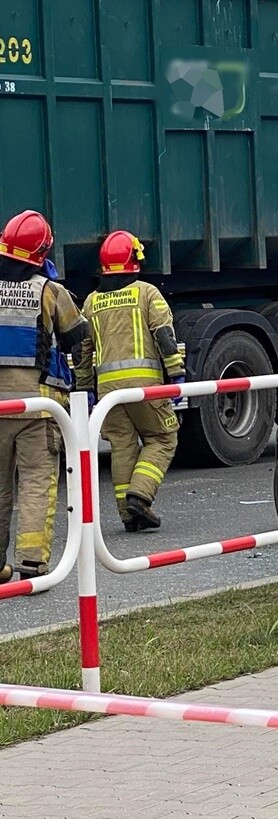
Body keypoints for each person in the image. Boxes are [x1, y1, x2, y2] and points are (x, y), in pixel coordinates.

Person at [75, 231, 185, 532]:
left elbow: (82, 349)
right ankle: (141, 494)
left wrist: (84, 387)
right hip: (145, 386)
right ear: (133, 260)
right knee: (162, 438)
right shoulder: (147, 293)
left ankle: (128, 514)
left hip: (108, 391)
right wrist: (176, 372)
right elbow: (164, 334)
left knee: (122, 446)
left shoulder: (91, 302)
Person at [0, 209, 88, 581]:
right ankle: (32, 563)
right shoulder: (50, 292)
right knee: (38, 482)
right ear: (42, 253)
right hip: (39, 406)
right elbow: (78, 339)